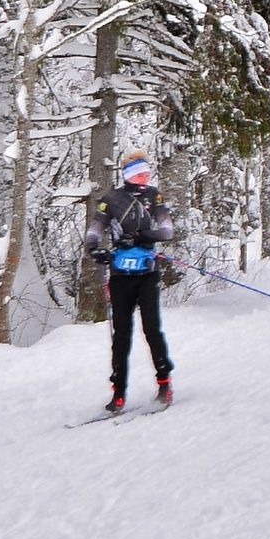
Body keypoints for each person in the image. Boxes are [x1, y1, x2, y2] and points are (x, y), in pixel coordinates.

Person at [82, 151, 178, 412]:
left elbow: (167, 230)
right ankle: (119, 393)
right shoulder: (111, 199)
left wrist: (139, 236)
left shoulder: (153, 196)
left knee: (152, 330)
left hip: (147, 272)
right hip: (120, 276)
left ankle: (164, 383)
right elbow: (94, 229)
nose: (144, 178)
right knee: (121, 335)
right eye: (139, 174)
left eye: (147, 173)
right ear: (127, 175)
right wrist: (95, 249)